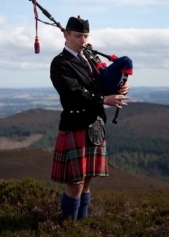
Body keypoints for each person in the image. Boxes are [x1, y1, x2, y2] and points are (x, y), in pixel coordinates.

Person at [50, 16, 130, 220]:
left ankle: (81, 225)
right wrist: (104, 99)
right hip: (75, 125)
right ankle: (67, 228)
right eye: (78, 36)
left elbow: (101, 84)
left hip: (95, 125)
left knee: (87, 181)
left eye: (85, 36)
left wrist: (119, 87)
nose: (83, 41)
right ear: (66, 35)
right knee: (75, 184)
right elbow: (73, 92)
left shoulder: (90, 58)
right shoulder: (60, 63)